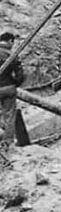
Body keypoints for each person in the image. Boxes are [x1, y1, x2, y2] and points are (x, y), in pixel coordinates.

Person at [0, 30, 24, 162]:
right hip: (8, 88)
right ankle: (8, 143)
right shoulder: (11, 54)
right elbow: (20, 73)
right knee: (9, 115)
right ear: (10, 41)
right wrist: (15, 84)